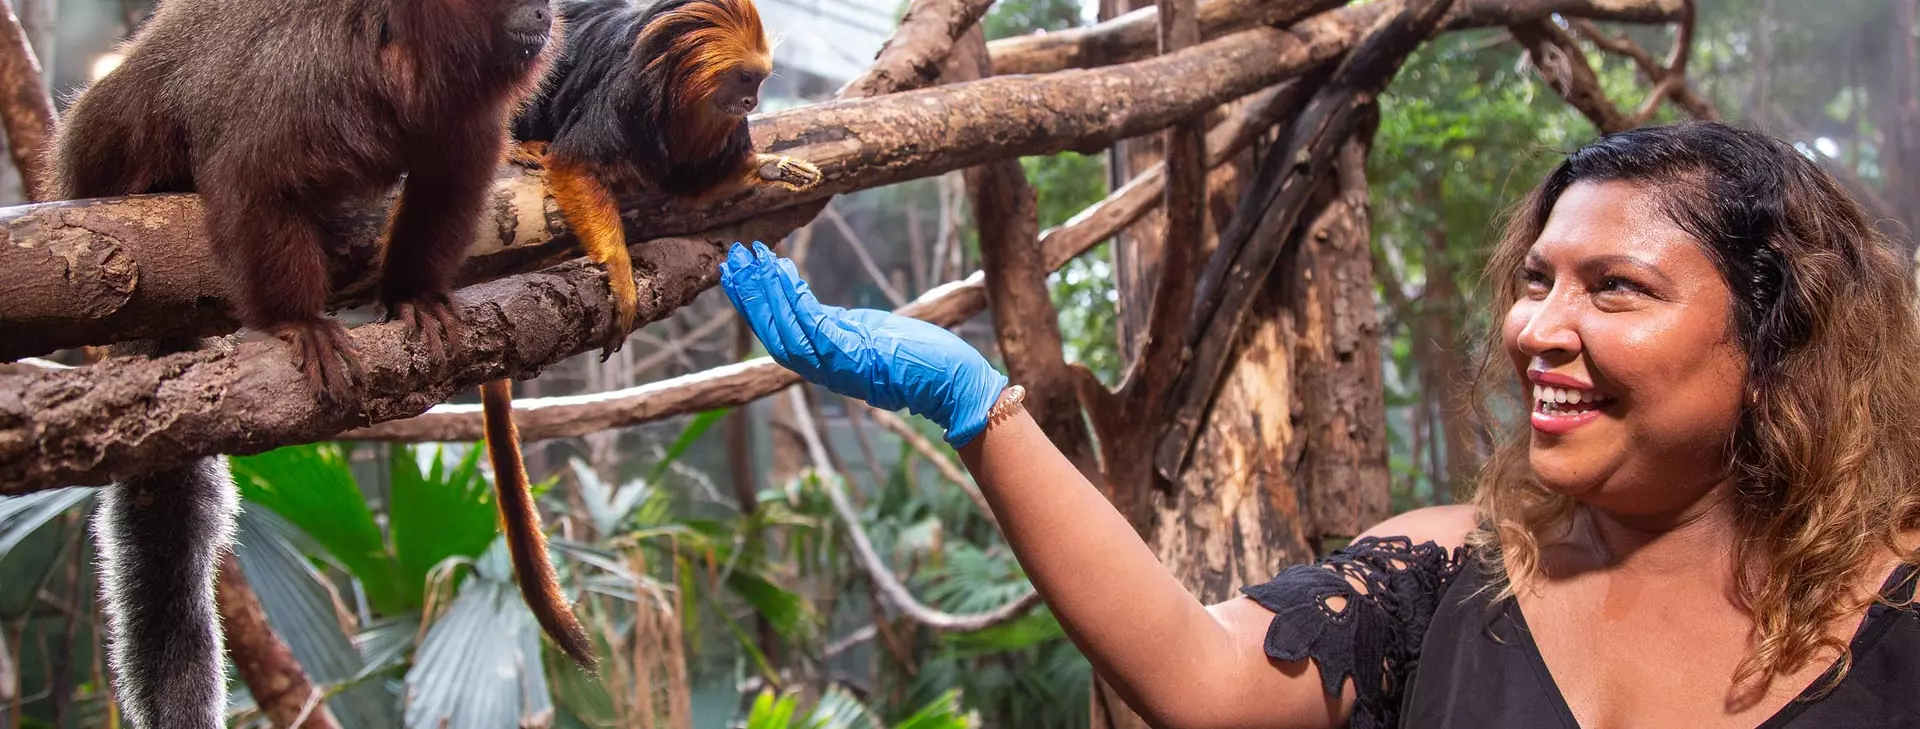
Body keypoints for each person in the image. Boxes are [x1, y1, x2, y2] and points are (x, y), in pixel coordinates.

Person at [716, 121, 1920, 728]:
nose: (1538, 327)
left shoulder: (1898, 620)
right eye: (1538, 278)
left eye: (1617, 289)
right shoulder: (1453, 576)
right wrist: (972, 405)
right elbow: (1196, 675)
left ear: (1776, 343)